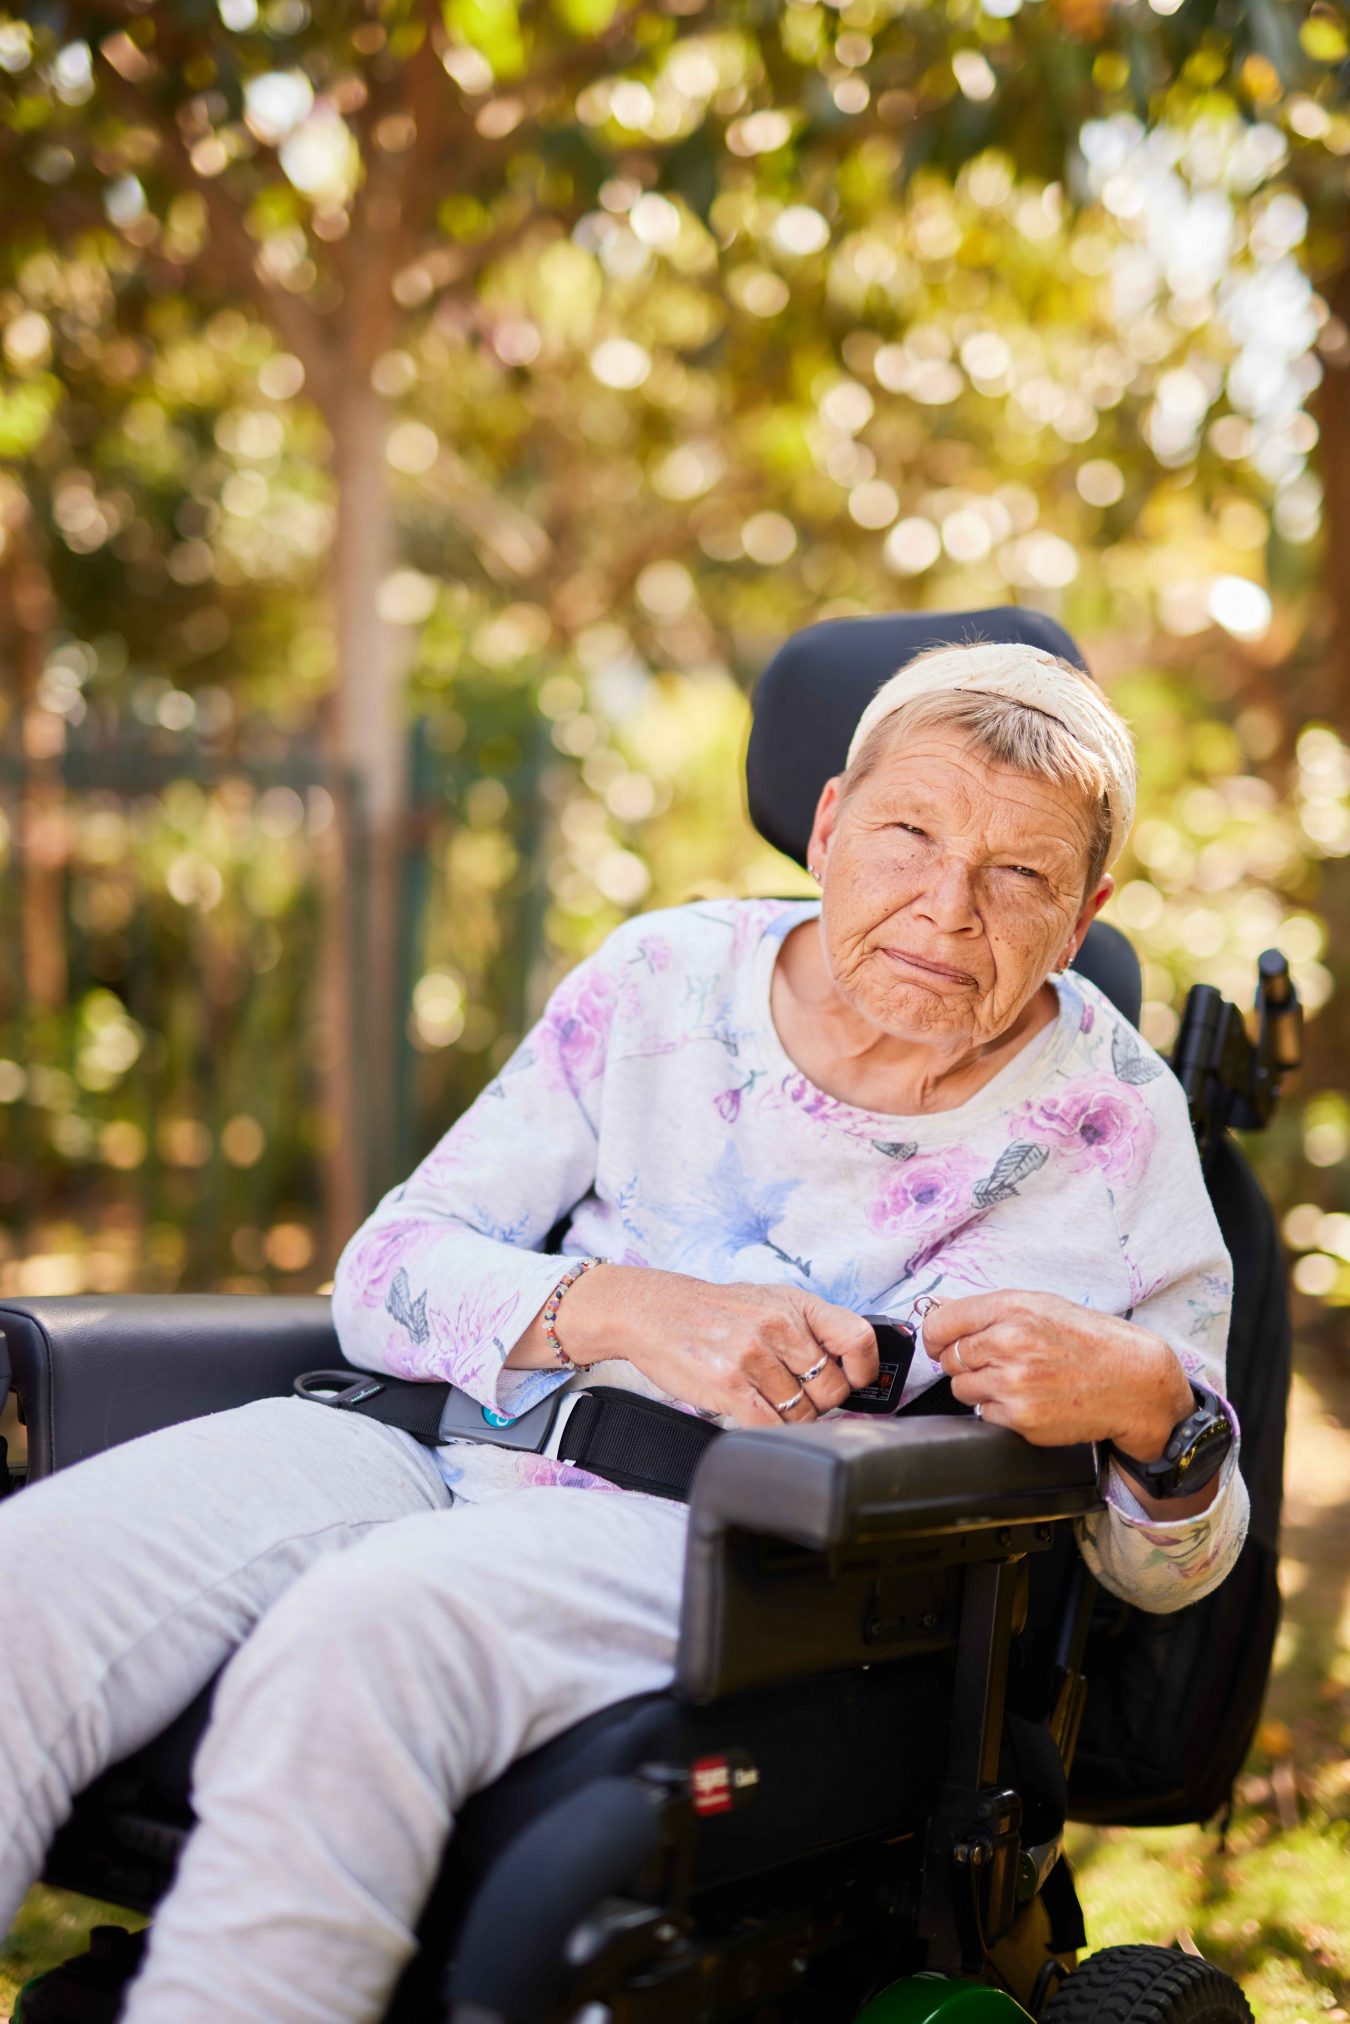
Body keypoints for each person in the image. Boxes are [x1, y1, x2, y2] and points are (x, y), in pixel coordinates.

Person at [0, 641, 1246, 2024]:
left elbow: (1163, 1575)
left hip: (734, 1546)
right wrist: (633, 1311)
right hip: (437, 1438)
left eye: (1017, 873)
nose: (947, 909)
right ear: (829, 826)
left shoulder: (1114, 1126)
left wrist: (1150, 1409)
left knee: (368, 1639)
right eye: (908, 833)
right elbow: (393, 1266)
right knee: (25, 1583)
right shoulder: (662, 979)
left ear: (1081, 916)